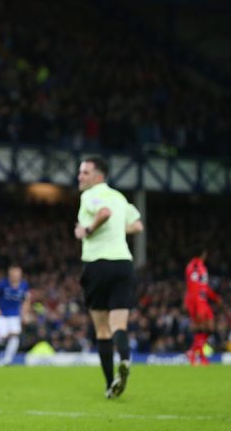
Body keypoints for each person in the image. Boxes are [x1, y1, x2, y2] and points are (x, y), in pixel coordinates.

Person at [74, 157, 144, 399]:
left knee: (102, 330)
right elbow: (137, 226)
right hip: (123, 264)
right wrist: (115, 229)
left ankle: (109, 385)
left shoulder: (90, 196)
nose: (80, 176)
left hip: (97, 265)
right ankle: (124, 359)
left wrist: (88, 230)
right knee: (119, 326)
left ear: (98, 176)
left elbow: (103, 213)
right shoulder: (119, 197)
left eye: (85, 172)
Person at [184, 246, 221, 366]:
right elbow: (194, 288)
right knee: (204, 327)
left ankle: (194, 353)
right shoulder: (194, 267)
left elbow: (203, 286)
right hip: (197, 301)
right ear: (203, 254)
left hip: (202, 301)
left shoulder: (199, 266)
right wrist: (197, 306)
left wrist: (214, 297)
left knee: (209, 327)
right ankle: (197, 354)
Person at [0, 263, 31, 365]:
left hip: (15, 316)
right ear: (10, 274)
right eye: (14, 273)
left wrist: (25, 313)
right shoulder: (2, 284)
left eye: (18, 273)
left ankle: (7, 360)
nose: (16, 275)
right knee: (2, 338)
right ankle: (1, 341)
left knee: (15, 337)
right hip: (2, 315)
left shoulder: (24, 285)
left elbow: (27, 299)